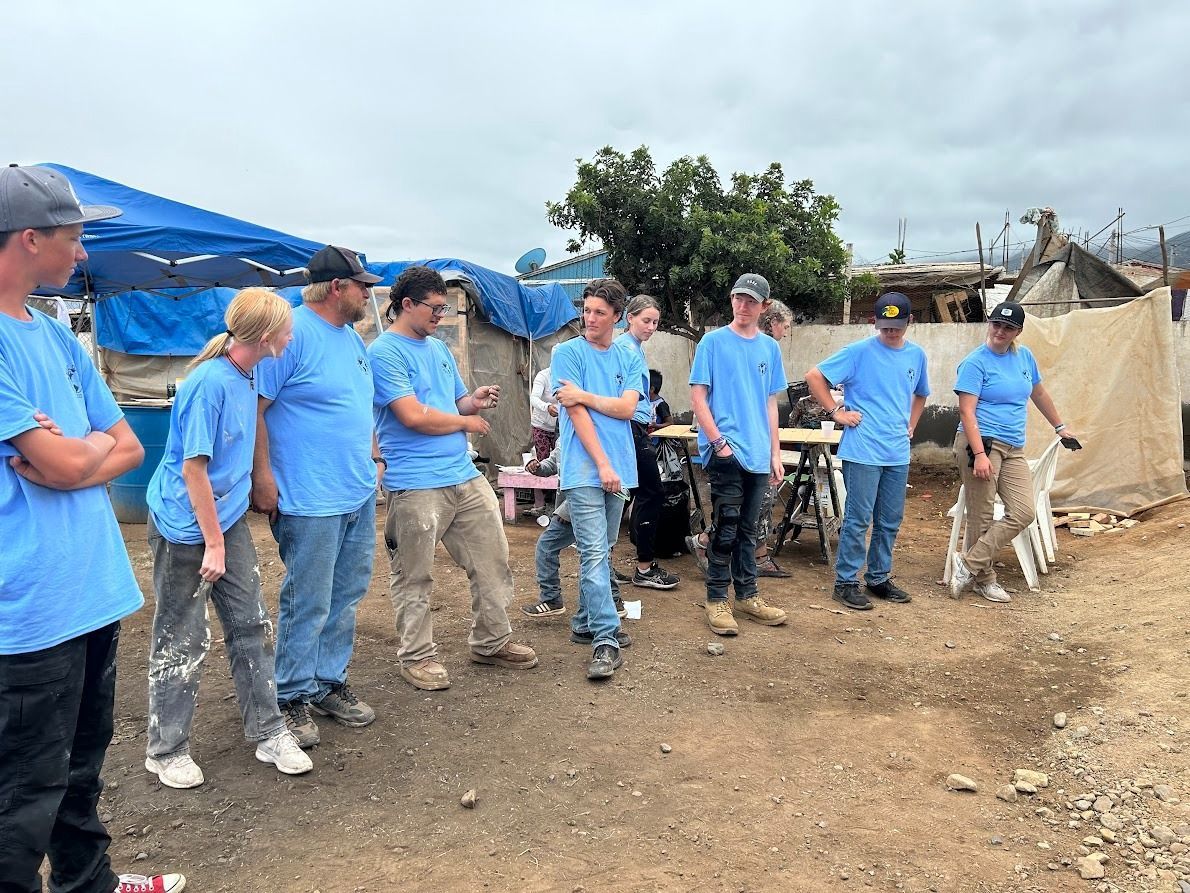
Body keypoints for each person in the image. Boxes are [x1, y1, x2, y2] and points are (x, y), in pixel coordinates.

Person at [0, 164, 184, 893]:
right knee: (21, 797)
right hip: (28, 609)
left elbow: (126, 446)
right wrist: (79, 452)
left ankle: (89, 883)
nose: (81, 254)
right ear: (29, 237)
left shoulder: (52, 334)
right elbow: (67, 457)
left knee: (80, 770)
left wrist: (80, 453)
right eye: (73, 238)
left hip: (91, 592)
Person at [145, 288, 312, 789]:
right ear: (266, 336)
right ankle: (166, 749)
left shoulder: (249, 372)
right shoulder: (209, 384)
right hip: (185, 527)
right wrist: (213, 544)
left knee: (251, 623)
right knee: (182, 634)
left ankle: (268, 729)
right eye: (287, 328)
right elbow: (194, 469)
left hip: (225, 518)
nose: (291, 335)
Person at [370, 266, 537, 692]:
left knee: (492, 560)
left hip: (462, 475)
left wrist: (473, 402)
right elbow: (411, 416)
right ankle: (417, 656)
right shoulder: (385, 353)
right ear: (406, 304)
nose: (440, 316)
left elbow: (455, 401)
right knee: (414, 574)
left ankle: (491, 641)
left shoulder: (438, 349)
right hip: (416, 482)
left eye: (444, 308)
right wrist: (468, 425)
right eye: (435, 308)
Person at [251, 246, 382, 749]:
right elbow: (255, 410)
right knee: (308, 599)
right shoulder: (293, 335)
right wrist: (262, 478)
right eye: (362, 286)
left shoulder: (350, 338)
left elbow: (359, 406)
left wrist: (374, 458)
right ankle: (290, 695)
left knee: (346, 594)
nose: (368, 295)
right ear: (336, 288)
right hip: (308, 498)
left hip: (353, 492)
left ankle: (327, 682)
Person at [805, 292, 930, 611]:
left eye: (897, 326)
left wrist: (911, 425)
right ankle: (846, 582)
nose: (891, 332)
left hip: (896, 451)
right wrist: (835, 412)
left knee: (890, 519)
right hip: (862, 450)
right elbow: (815, 377)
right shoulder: (859, 352)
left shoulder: (916, 356)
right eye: (885, 326)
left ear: (909, 322)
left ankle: (878, 578)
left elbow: (921, 394)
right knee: (859, 519)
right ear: (875, 322)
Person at [949, 301, 1080, 602]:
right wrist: (980, 454)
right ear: (989, 324)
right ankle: (985, 579)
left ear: (1018, 331)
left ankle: (968, 565)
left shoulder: (1024, 357)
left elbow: (1039, 392)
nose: (1000, 331)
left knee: (1023, 510)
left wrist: (1060, 427)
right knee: (981, 515)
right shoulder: (975, 362)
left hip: (1013, 447)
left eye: (1008, 327)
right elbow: (967, 413)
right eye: (996, 324)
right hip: (979, 443)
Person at [550, 278, 644, 679]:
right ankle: (606, 638)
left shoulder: (628, 357)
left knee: (603, 550)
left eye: (599, 313)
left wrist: (586, 395)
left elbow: (627, 409)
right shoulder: (566, 352)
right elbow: (576, 417)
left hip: (620, 467)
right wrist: (603, 464)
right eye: (586, 310)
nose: (589, 318)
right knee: (592, 552)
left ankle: (584, 622)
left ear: (617, 317)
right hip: (587, 468)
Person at [688, 273, 789, 635]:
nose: (743, 306)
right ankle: (716, 599)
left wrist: (775, 451)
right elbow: (698, 397)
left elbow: (770, 402)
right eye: (738, 298)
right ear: (731, 300)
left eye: (751, 301)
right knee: (726, 527)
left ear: (764, 307)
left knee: (750, 530)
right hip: (725, 450)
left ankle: (747, 596)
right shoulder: (712, 343)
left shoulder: (769, 348)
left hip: (759, 452)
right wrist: (718, 443)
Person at [518, 443, 631, 637]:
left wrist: (567, 509)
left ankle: (561, 603)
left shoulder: (588, 430)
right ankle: (605, 606)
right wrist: (537, 467)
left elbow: (587, 478)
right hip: (582, 498)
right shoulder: (568, 435)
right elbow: (554, 464)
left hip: (583, 501)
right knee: (598, 552)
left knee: (591, 553)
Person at [616, 294, 680, 590]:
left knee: (631, 493)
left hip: (636, 426)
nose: (651, 327)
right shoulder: (623, 349)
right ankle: (643, 567)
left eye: (655, 322)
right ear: (629, 317)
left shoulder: (635, 349)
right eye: (646, 320)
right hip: (628, 426)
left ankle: (613, 563)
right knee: (650, 492)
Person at [529, 363, 560, 460]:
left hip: (560, 427)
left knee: (561, 459)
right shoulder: (543, 376)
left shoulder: (569, 376)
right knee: (543, 461)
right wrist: (547, 407)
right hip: (541, 426)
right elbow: (533, 398)